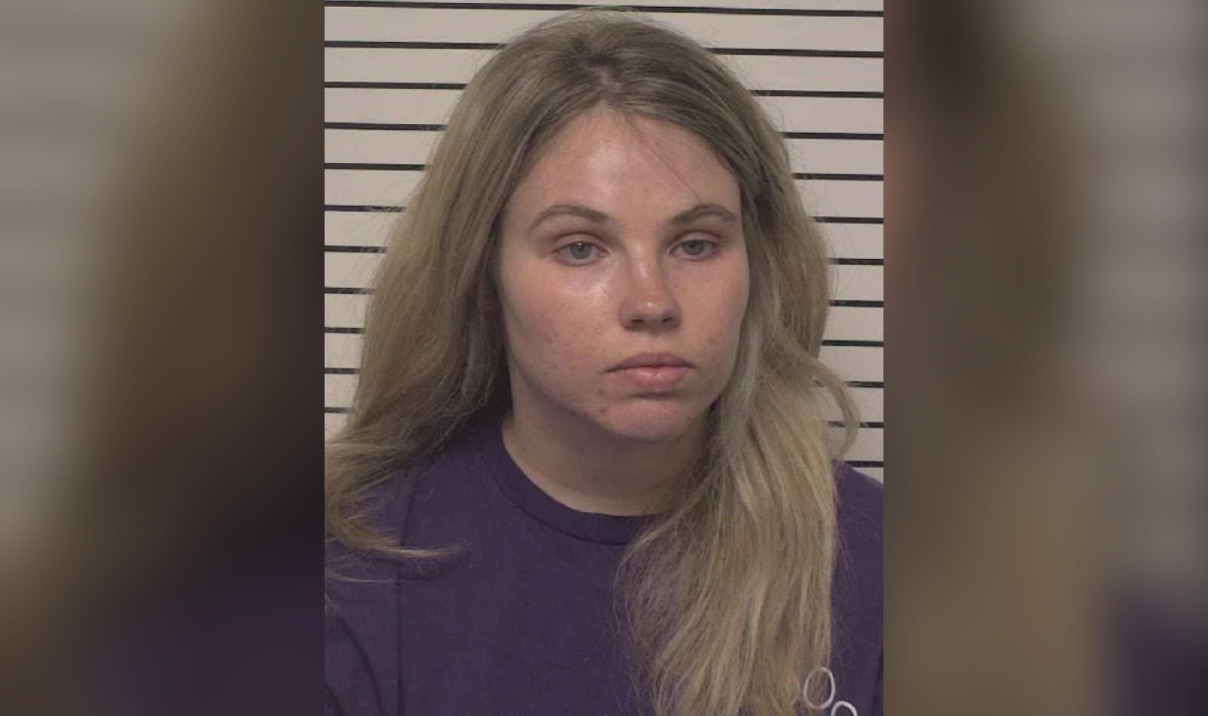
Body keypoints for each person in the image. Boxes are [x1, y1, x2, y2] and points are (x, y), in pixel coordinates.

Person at [325, 8, 882, 716]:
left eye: (696, 245)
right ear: (483, 275)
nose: (652, 302)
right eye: (581, 248)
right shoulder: (350, 574)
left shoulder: (889, 562)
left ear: (757, 265)